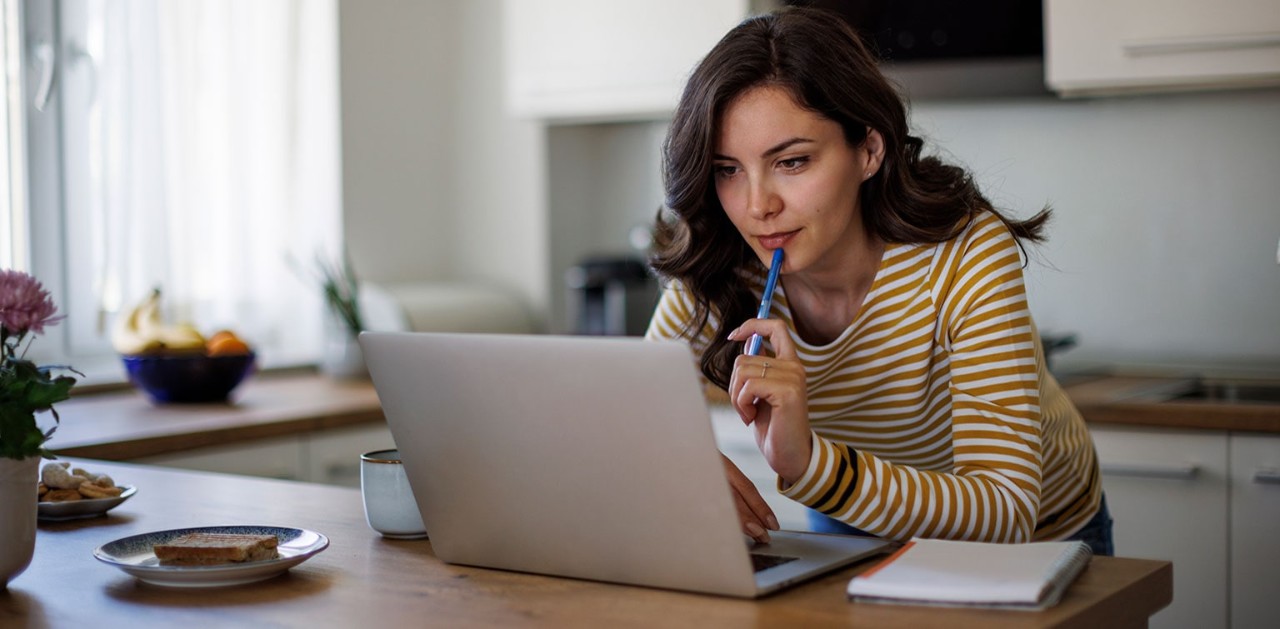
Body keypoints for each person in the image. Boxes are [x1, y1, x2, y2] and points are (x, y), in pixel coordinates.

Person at [644, 6, 1112, 556]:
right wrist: (679, 463)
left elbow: (1006, 507)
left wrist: (812, 466)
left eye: (792, 162)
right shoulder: (724, 261)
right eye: (728, 170)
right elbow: (633, 416)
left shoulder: (964, 251)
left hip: (1038, 540)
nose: (756, 207)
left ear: (868, 150)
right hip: (856, 522)